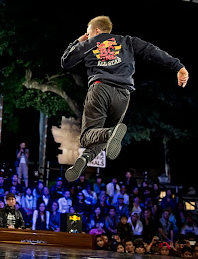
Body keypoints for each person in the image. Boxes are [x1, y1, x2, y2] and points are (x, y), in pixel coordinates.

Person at [61, 15, 189, 182]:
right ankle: (85, 158)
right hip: (123, 95)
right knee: (105, 137)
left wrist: (78, 42)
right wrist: (178, 66)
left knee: (87, 136)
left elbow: (66, 62)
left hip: (100, 89)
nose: (87, 36)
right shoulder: (128, 41)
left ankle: (110, 133)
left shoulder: (90, 42)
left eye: (88, 33)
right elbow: (152, 50)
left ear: (96, 31)